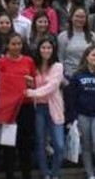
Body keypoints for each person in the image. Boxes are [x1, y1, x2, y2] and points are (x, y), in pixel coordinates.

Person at [65, 45, 95, 179]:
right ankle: (90, 174)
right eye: (93, 55)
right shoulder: (77, 76)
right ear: (86, 57)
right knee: (86, 146)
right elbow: (71, 100)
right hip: (82, 115)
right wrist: (71, 119)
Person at [0, 32, 37, 179]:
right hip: (9, 108)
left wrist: (29, 83)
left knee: (25, 145)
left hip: (25, 107)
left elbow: (34, 84)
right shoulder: (1, 62)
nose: (16, 47)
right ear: (7, 45)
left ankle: (27, 175)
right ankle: (9, 175)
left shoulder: (29, 61)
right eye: (13, 44)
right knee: (8, 145)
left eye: (19, 44)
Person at [28, 38, 65, 179]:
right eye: (43, 47)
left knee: (59, 145)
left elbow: (52, 86)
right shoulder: (34, 66)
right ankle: (45, 174)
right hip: (39, 109)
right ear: (39, 49)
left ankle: (54, 174)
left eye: (49, 48)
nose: (46, 50)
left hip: (54, 108)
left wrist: (32, 92)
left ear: (53, 50)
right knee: (40, 143)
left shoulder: (58, 66)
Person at [58, 5, 95, 74]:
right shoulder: (63, 36)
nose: (80, 19)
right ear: (71, 17)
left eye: (82, 17)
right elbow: (60, 59)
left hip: (88, 75)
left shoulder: (92, 36)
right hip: (69, 75)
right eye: (77, 16)